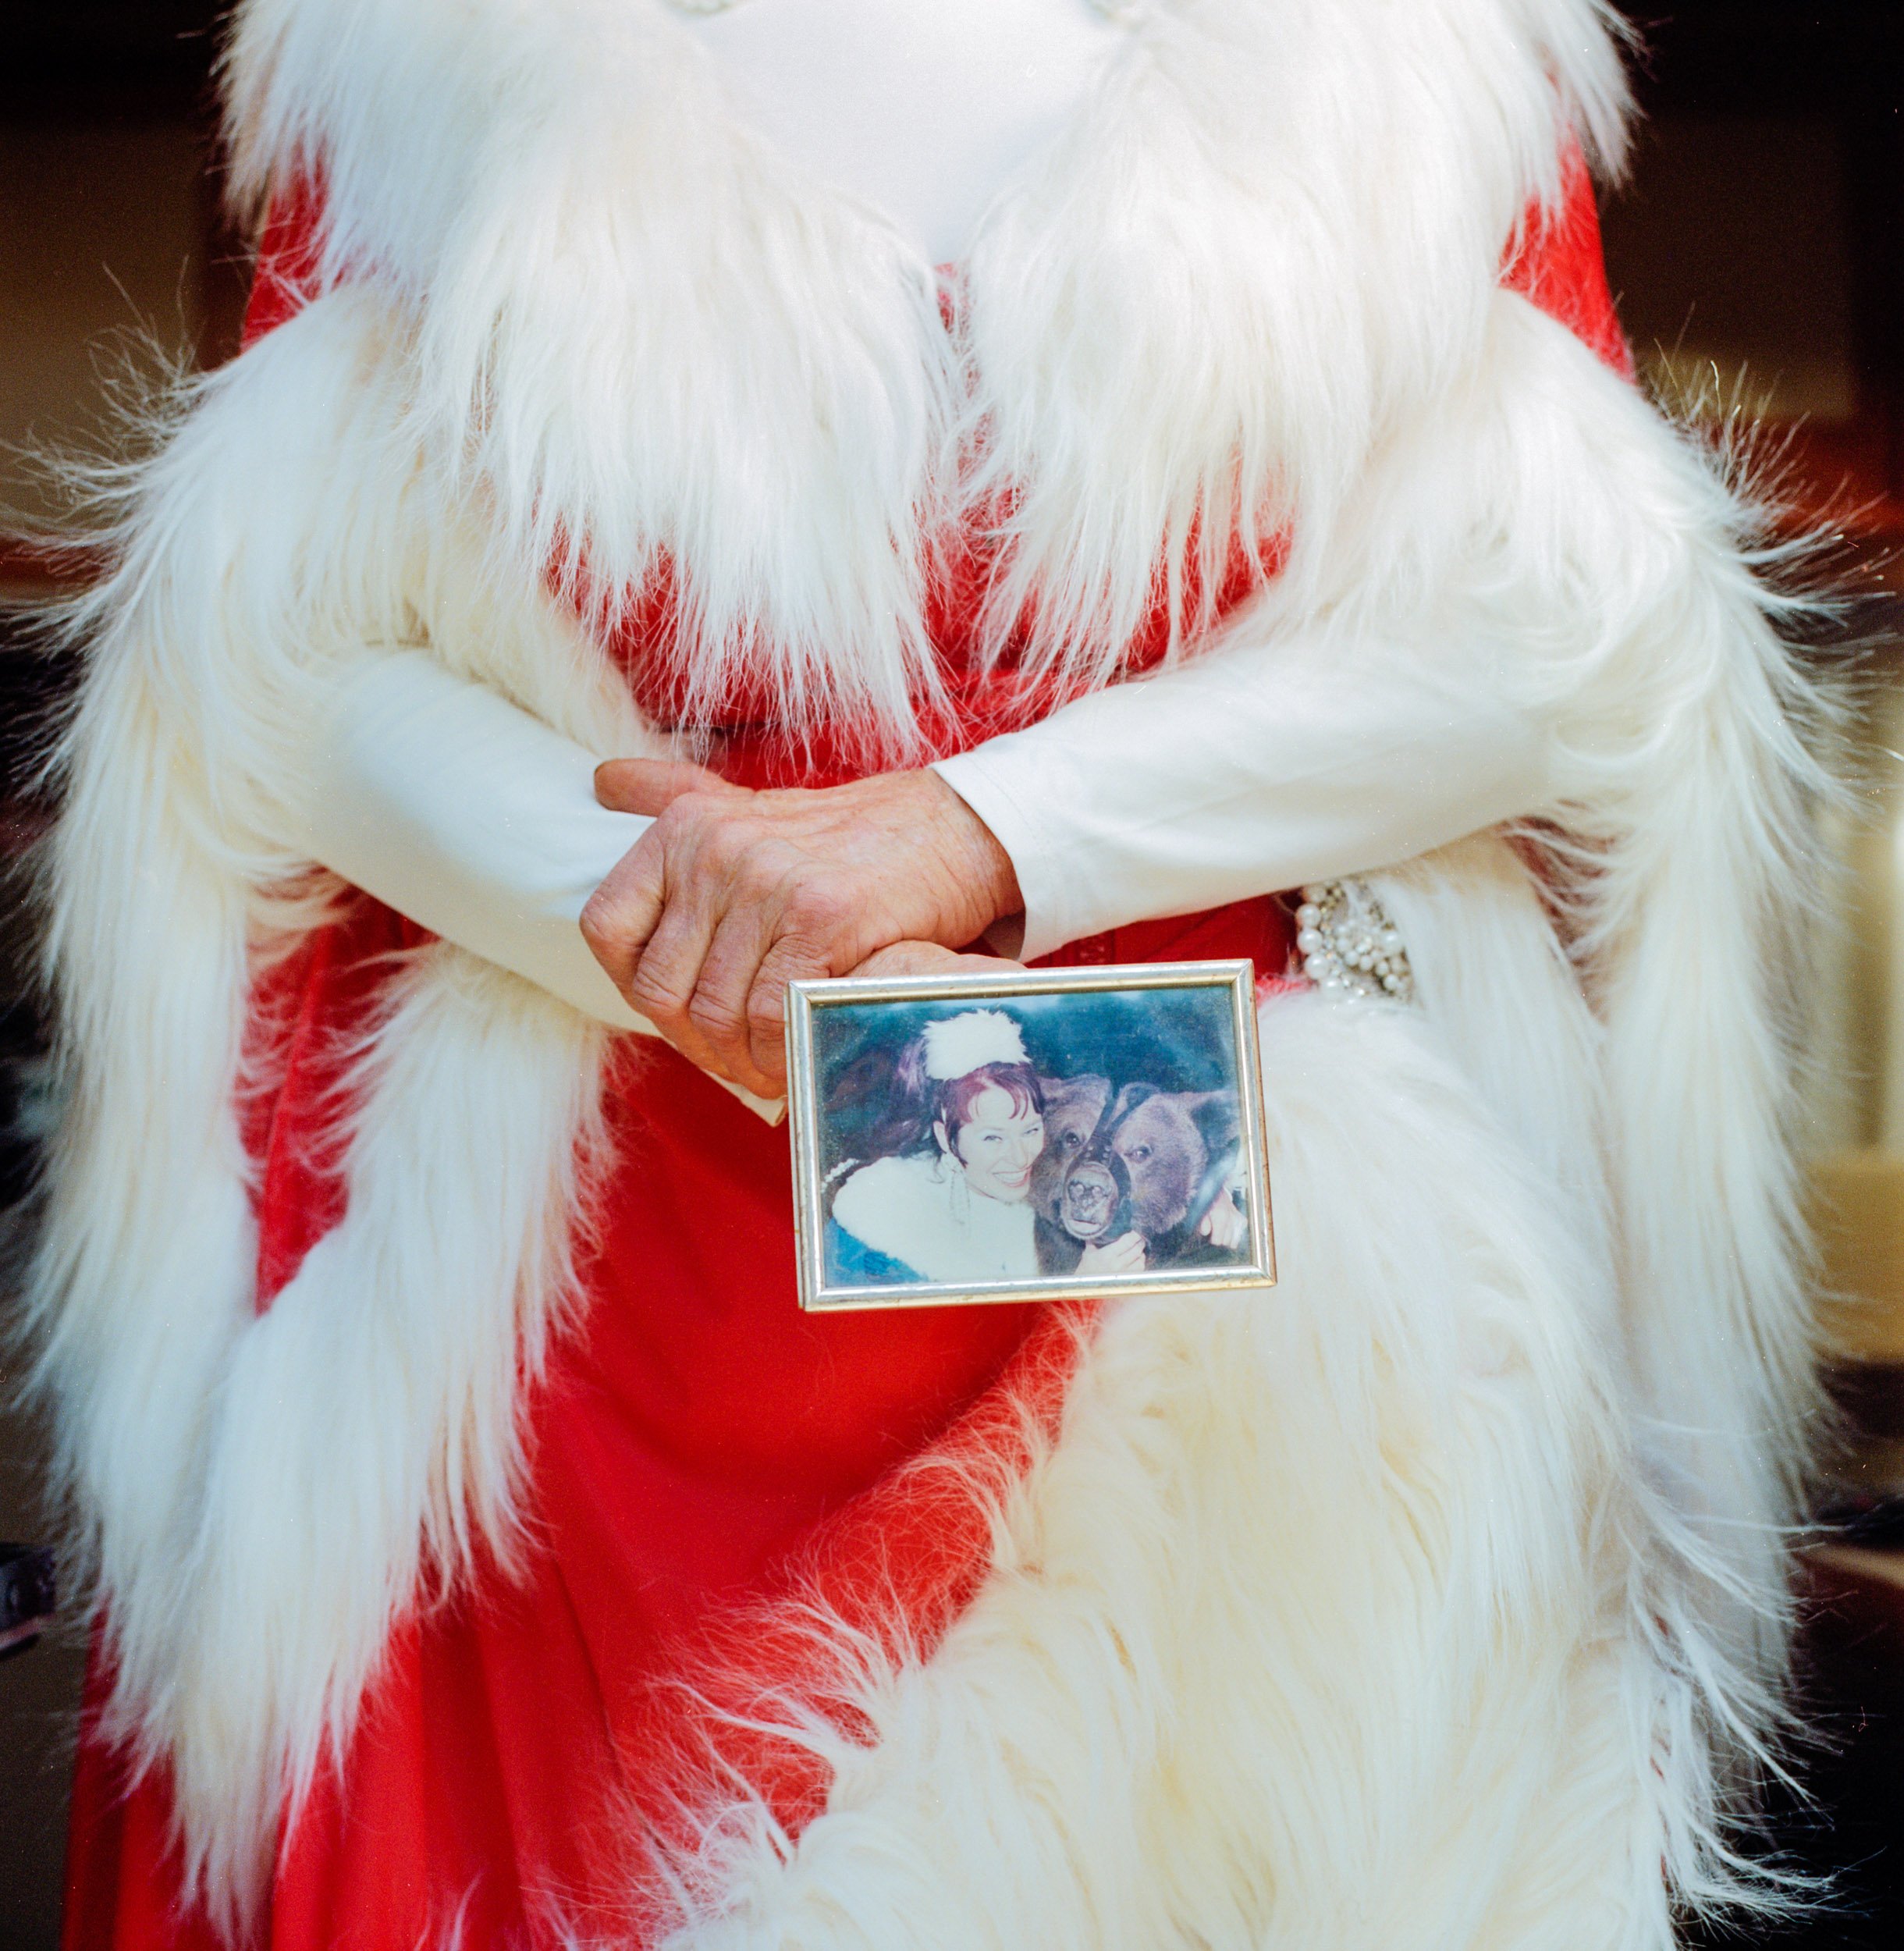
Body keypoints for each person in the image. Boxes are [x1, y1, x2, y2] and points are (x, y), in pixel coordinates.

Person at [27, 2, 1826, 1946]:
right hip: (570, 1328)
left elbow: (1573, 634)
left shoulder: (1411, 56)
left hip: (1248, 1293)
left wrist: (983, 825)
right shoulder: (420, 53)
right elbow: (264, 647)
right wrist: (667, 900)